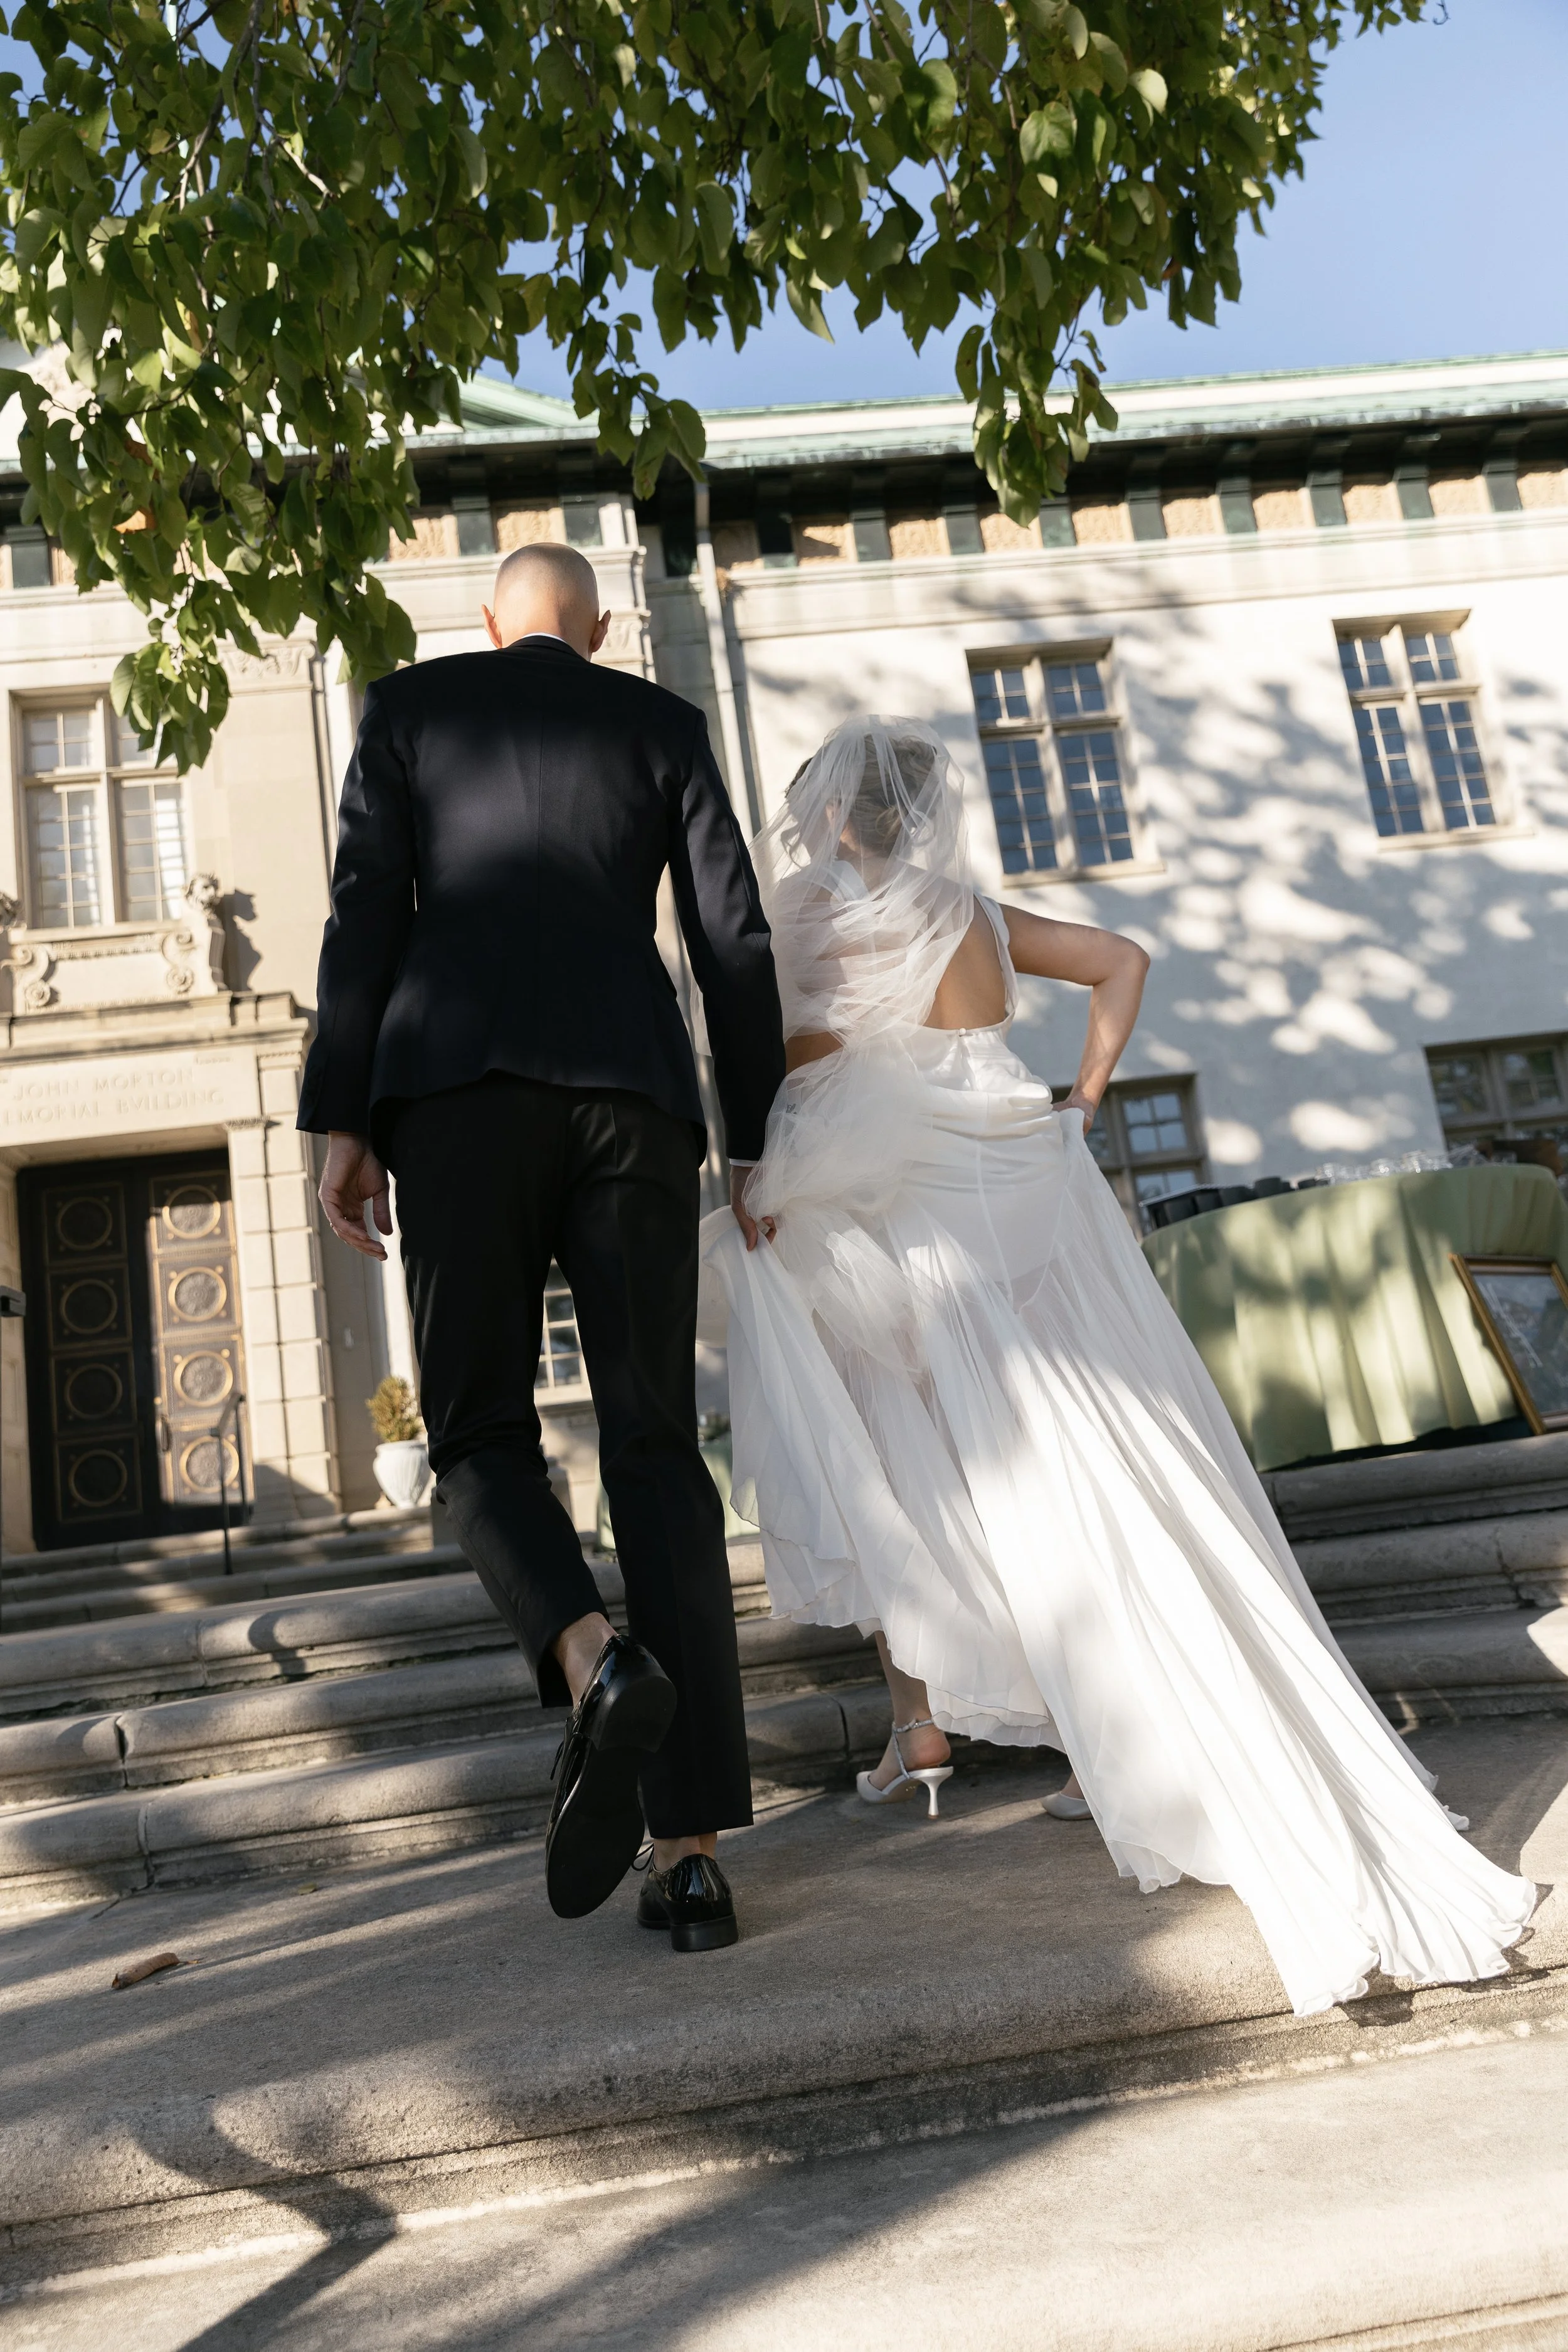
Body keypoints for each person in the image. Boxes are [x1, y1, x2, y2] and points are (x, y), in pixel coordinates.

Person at [704, 716, 1536, 2018]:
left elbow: (779, 1056)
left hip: (879, 1203)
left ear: (825, 816)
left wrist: (761, 1162)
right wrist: (1084, 1097)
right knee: (1091, 1453)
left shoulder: (801, 913)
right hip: (1018, 1181)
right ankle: (1105, 1743)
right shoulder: (967, 909)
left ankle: (925, 1722)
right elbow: (1122, 959)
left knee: (918, 1461)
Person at [300, 543, 785, 1953]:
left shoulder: (400, 711)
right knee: (653, 1449)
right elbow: (731, 939)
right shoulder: (661, 724)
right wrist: (754, 1127)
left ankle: (591, 1661)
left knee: (476, 1438)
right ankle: (690, 1857)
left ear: (487, 621)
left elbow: (362, 920)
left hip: (453, 1097)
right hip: (632, 1098)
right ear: (604, 624)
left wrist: (343, 1117)